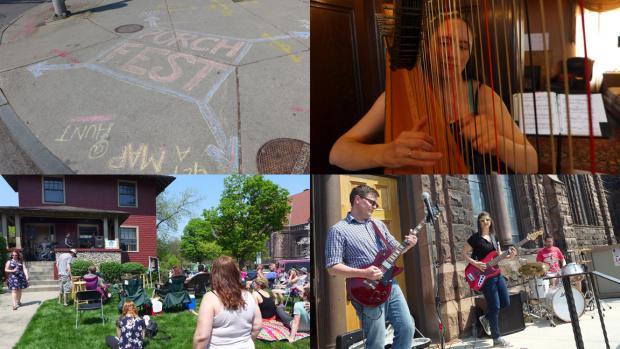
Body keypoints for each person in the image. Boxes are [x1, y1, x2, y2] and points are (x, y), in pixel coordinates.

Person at [329, 12, 537, 174]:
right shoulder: (395, 98)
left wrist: (500, 144)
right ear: (426, 46)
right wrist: (384, 153)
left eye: (463, 46)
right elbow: (337, 153)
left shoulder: (482, 96)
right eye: (444, 42)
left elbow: (532, 164)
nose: (453, 54)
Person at [325, 185, 417, 349]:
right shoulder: (338, 230)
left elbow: (396, 249)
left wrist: (409, 244)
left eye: (376, 204)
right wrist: (364, 273)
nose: (375, 207)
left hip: (390, 284)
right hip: (365, 290)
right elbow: (332, 267)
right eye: (372, 202)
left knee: (407, 327)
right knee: (377, 341)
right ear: (358, 200)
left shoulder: (378, 225)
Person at [462, 212, 516, 348]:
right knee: (495, 306)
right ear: (479, 223)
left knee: (505, 301)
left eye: (487, 220)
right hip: (484, 277)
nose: (485, 222)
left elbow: (498, 255)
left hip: (496, 273)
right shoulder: (475, 238)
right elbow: (463, 253)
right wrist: (475, 263)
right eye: (482, 220)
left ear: (491, 221)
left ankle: (486, 318)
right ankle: (496, 338)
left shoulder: (494, 237)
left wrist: (509, 255)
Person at [193, 255, 262, 349]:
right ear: (235, 273)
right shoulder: (249, 296)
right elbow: (257, 326)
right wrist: (247, 343)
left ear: (214, 274)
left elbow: (202, 337)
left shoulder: (210, 298)